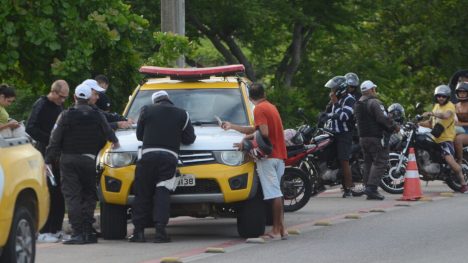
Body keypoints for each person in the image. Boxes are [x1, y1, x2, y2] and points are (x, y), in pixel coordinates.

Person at [45, 83, 119, 244]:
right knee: (89, 195)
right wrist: (116, 142)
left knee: (73, 196)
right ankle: (88, 232)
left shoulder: (65, 115)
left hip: (69, 160)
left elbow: (55, 139)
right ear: (89, 99)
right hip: (89, 160)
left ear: (75, 97)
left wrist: (48, 160)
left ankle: (77, 233)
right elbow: (108, 132)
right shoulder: (97, 115)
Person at [221, 83, 288, 239]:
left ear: (250, 97)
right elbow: (257, 129)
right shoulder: (271, 107)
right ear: (264, 93)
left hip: (268, 158)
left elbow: (263, 132)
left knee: (274, 194)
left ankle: (276, 231)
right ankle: (282, 229)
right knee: (277, 192)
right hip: (279, 156)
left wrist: (246, 143)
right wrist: (233, 127)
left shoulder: (259, 109)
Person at [128, 90, 196, 243]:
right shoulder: (182, 114)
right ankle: (160, 232)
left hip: (147, 157)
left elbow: (140, 135)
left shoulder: (146, 110)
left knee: (142, 193)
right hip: (168, 158)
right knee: (162, 193)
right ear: (168, 100)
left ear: (155, 101)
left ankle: (138, 232)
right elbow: (190, 138)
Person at [26, 80, 69, 243]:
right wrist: (50, 140)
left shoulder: (59, 106)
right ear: (54, 92)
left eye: (65, 98)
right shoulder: (41, 104)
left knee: (59, 192)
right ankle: (44, 230)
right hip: (45, 152)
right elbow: (31, 127)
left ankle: (56, 229)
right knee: (49, 191)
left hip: (57, 153)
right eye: (62, 97)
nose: (63, 101)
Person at [354, 80, 399, 200]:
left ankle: (367, 187)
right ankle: (372, 188)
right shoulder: (374, 102)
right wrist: (394, 126)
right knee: (380, 161)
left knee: (368, 162)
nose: (375, 91)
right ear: (371, 90)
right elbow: (382, 119)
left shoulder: (358, 103)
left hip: (363, 138)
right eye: (374, 89)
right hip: (376, 137)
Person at [420, 85, 467, 193]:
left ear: (447, 97)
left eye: (443, 96)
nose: (441, 98)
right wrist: (417, 123)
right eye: (439, 96)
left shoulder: (450, 106)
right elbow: (431, 123)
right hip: (435, 138)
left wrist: (431, 113)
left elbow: (446, 116)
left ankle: (463, 183)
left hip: (446, 139)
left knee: (450, 161)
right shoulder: (436, 106)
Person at [324, 76, 361, 198]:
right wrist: (325, 115)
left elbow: (344, 116)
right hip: (333, 133)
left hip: (344, 134)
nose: (331, 92)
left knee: (344, 160)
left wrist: (335, 103)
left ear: (340, 89)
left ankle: (349, 188)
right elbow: (331, 114)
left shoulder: (349, 99)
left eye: (333, 89)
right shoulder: (337, 99)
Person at [454, 82, 468, 165]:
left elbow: (458, 123)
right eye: (460, 92)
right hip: (458, 130)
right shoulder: (455, 105)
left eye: (464, 92)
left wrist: (460, 124)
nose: (462, 94)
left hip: (466, 132)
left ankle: (459, 162)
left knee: (458, 139)